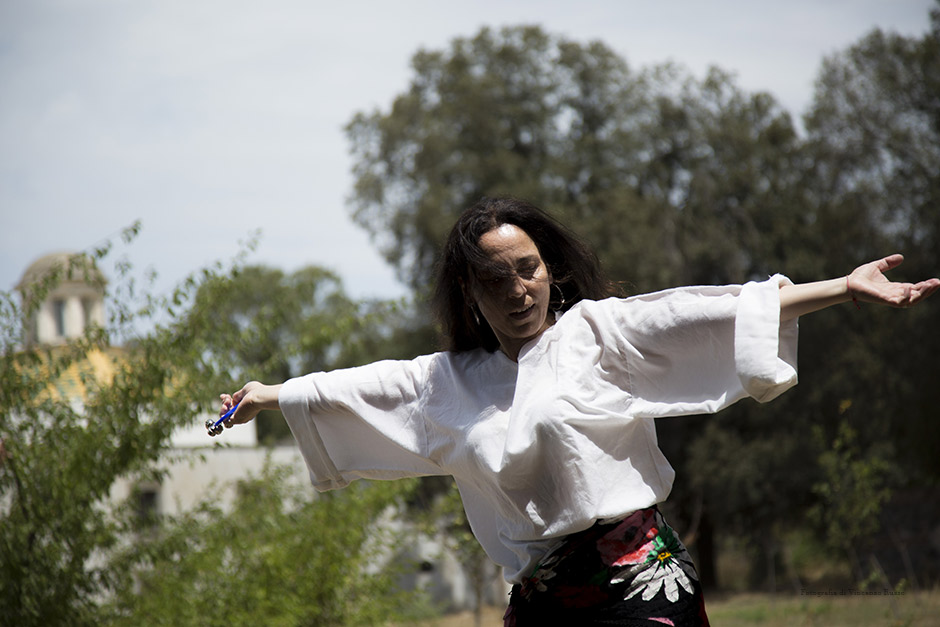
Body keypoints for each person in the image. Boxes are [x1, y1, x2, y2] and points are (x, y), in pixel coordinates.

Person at [217, 197, 938, 625]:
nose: (517, 290)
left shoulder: (598, 334)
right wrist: (270, 394)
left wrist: (843, 287)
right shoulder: (444, 382)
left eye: (527, 268)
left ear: (549, 269)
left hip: (639, 580)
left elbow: (706, 311)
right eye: (494, 278)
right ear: (470, 293)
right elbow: (358, 388)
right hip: (540, 599)